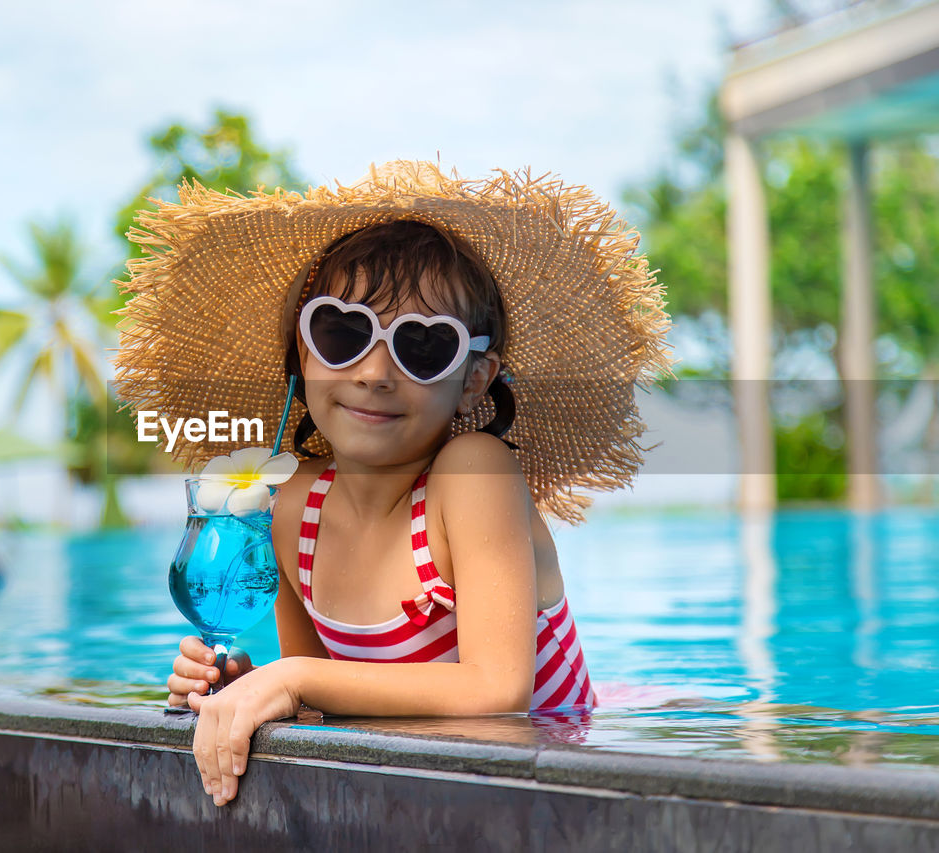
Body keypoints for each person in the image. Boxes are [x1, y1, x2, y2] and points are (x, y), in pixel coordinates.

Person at [113, 161, 672, 807]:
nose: (375, 371)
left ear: (473, 378)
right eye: (343, 332)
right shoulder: (290, 508)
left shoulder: (473, 472)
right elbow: (323, 705)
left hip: (559, 787)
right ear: (300, 349)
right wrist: (244, 685)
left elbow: (498, 691)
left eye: (423, 346)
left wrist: (290, 678)